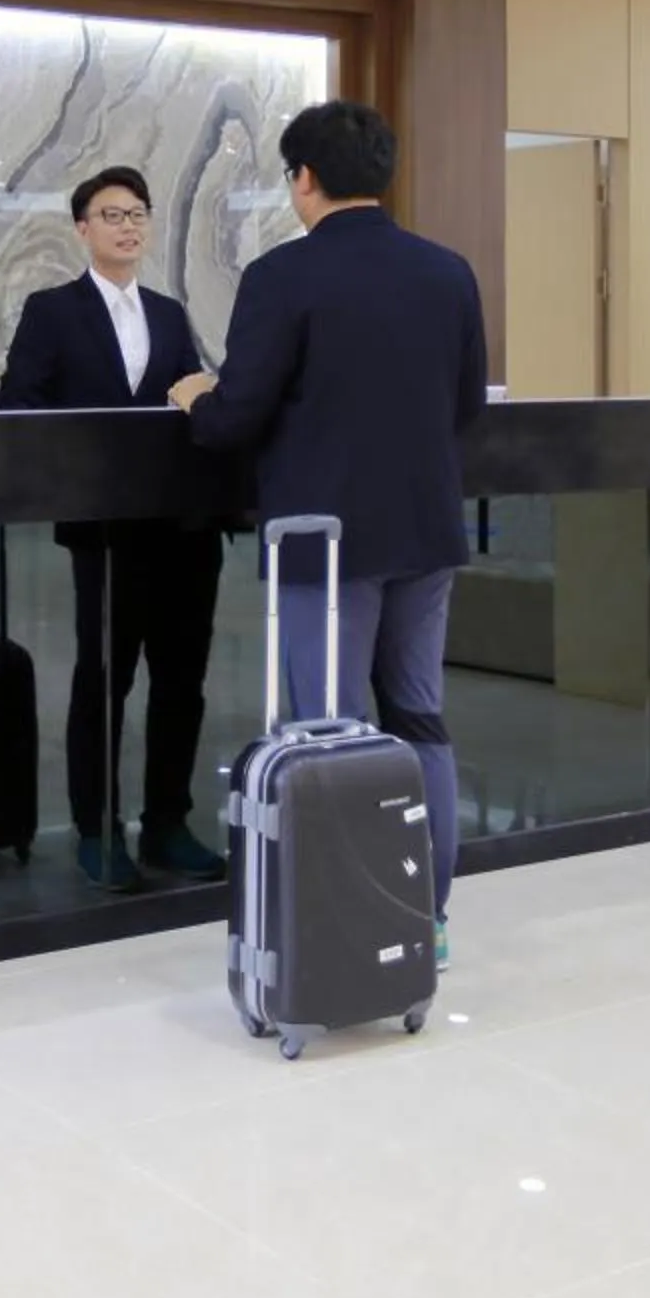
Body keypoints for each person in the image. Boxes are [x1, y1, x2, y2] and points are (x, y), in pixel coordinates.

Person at [168, 101, 485, 967]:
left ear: (303, 178)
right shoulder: (447, 272)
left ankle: (349, 920)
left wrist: (195, 399)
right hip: (427, 532)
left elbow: (238, 417)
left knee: (330, 732)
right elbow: (464, 407)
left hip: (325, 542)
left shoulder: (283, 277)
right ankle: (429, 916)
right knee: (420, 720)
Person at [0, 166, 228, 893]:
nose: (127, 226)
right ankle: (98, 829)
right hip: (105, 531)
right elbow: (19, 411)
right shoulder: (52, 310)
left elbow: (195, 403)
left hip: (184, 528)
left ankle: (168, 821)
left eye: (137, 213)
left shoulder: (168, 312)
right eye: (111, 214)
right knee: (105, 681)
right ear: (82, 229)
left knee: (181, 683)